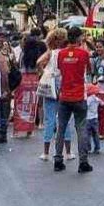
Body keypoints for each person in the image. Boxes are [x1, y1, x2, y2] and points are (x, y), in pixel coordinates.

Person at [53, 27, 93, 174]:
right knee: (81, 128)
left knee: (61, 128)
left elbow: (60, 70)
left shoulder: (61, 54)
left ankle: (57, 160)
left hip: (64, 96)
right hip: (79, 96)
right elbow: (88, 70)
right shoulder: (84, 54)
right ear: (78, 38)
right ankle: (83, 162)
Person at [37, 27, 74, 161]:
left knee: (49, 120)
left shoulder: (50, 53)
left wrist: (46, 73)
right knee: (65, 120)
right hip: (65, 87)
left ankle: (46, 153)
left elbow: (39, 63)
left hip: (50, 88)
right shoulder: (68, 53)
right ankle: (68, 152)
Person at [84, 83, 103, 155]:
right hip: (95, 118)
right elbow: (102, 103)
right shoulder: (96, 98)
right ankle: (97, 148)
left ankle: (88, 148)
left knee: (87, 134)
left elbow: (85, 106)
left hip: (87, 118)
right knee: (96, 134)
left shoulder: (89, 99)